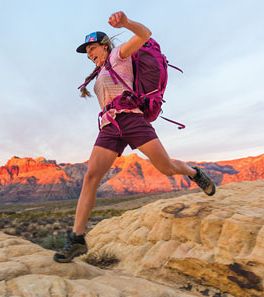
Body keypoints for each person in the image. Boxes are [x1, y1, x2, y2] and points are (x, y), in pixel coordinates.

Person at [53, 11, 215, 263]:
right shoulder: (99, 71)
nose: (89, 53)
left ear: (105, 46)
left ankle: (194, 173)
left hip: (132, 120)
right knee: (91, 176)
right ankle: (77, 239)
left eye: (92, 48)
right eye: (87, 51)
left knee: (168, 168)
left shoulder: (119, 55)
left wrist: (125, 23)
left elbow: (144, 35)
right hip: (110, 126)